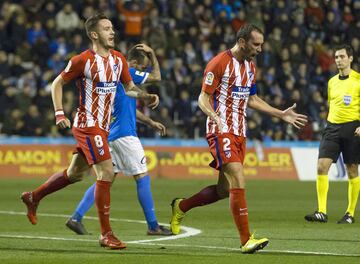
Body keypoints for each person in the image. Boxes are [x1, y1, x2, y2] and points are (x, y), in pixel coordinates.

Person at [21, 13, 159, 250]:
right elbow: (57, 83)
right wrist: (59, 112)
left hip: (103, 127)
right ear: (94, 34)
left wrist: (146, 96)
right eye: (106, 28)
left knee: (75, 173)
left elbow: (129, 89)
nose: (112, 32)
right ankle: (106, 234)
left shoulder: (118, 60)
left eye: (112, 28)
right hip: (88, 124)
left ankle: (34, 197)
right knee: (106, 171)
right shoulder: (82, 60)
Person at [169, 24, 308, 254]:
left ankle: (181, 206)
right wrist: (214, 116)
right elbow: (203, 97)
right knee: (238, 176)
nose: (260, 48)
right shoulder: (219, 63)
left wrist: (280, 113)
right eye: (256, 44)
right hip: (220, 129)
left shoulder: (250, 67)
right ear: (242, 42)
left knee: (224, 190)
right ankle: (246, 240)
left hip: (240, 132)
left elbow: (252, 99)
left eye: (261, 44)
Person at [65, 43, 171, 236]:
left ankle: (76, 217)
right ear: (132, 62)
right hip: (125, 136)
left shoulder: (118, 81)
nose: (139, 71)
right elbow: (157, 77)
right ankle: (153, 225)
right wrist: (154, 55)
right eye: (140, 67)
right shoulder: (127, 70)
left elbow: (130, 108)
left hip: (110, 135)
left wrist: (150, 122)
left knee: (106, 179)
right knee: (142, 176)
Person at [305, 44, 360, 224]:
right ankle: (321, 211)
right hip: (332, 127)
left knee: (352, 170)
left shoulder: (358, 80)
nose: (338, 60)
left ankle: (350, 213)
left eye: (342, 56)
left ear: (350, 58)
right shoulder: (332, 82)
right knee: (322, 166)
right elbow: (332, 104)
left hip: (353, 128)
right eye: (336, 57)